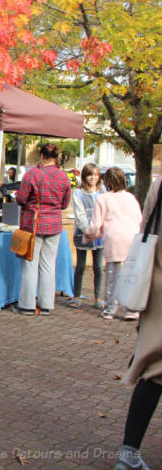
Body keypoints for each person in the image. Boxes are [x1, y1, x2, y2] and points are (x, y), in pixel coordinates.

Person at [113, 175, 162, 470]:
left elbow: (146, 227)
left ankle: (129, 454)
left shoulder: (159, 183)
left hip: (156, 286)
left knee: (154, 370)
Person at [12, 143, 71, 315]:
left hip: (33, 223)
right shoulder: (63, 177)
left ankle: (27, 305)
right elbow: (64, 204)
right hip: (54, 224)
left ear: (42, 156)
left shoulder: (33, 174)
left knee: (30, 265)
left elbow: (21, 198)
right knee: (48, 266)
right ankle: (46, 305)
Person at [83, 167, 142, 320]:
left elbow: (96, 226)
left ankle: (110, 309)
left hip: (114, 238)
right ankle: (131, 309)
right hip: (133, 237)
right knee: (131, 276)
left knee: (112, 275)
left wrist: (89, 235)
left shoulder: (102, 199)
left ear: (106, 182)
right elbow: (139, 219)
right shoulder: (131, 197)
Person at [69, 163, 105, 308]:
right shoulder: (78, 193)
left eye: (96, 175)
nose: (93, 178)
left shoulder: (102, 192)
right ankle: (76, 296)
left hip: (99, 235)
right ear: (84, 176)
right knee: (81, 266)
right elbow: (80, 215)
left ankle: (97, 298)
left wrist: (98, 230)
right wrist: (88, 231)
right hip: (82, 234)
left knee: (98, 267)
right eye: (90, 175)